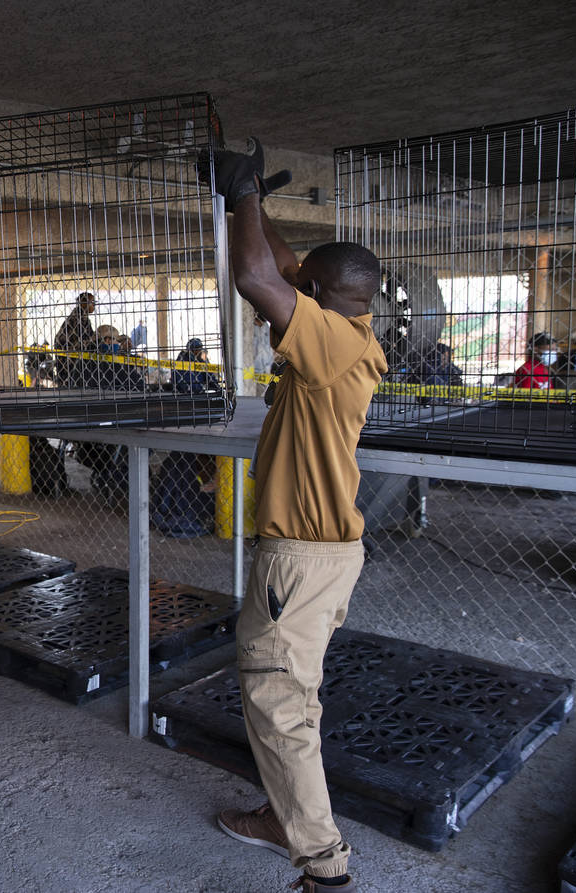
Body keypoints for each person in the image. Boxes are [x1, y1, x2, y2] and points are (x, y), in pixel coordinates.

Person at [206, 143, 387, 893]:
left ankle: (324, 867)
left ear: (316, 292)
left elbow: (254, 275)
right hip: (324, 556)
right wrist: (250, 202)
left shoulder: (329, 344)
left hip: (303, 558)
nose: (293, 283)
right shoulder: (348, 324)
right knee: (294, 694)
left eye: (303, 283)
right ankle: (286, 816)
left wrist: (243, 191)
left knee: (278, 704)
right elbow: (280, 266)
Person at [53, 292, 96, 386]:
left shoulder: (83, 319)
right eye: (92, 302)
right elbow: (85, 340)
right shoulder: (77, 319)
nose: (94, 305)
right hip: (69, 362)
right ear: (83, 303)